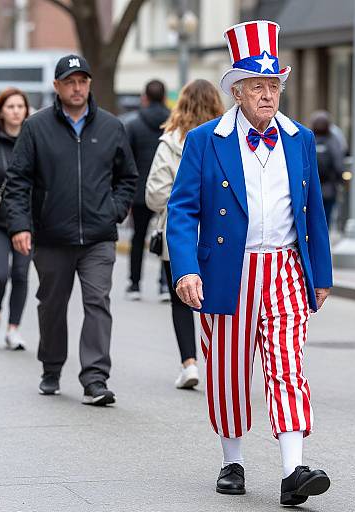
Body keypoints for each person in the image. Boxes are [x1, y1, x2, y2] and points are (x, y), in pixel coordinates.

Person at [167, 21, 333, 506]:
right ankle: (232, 460)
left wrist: (320, 273)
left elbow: (314, 212)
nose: (268, 94)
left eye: (274, 85)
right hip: (228, 269)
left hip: (284, 267)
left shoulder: (300, 138)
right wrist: (186, 268)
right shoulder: (205, 140)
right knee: (229, 369)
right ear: (237, 91)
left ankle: (293, 469)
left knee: (287, 365)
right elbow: (182, 210)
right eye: (257, 86)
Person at [5, 54, 137, 405]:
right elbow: (17, 181)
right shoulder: (36, 128)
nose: (77, 88)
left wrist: (114, 211)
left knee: (97, 302)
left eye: (82, 81)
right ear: (57, 86)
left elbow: (128, 178)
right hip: (51, 236)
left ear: (89, 84)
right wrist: (20, 225)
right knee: (51, 305)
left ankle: (95, 378)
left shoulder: (111, 127)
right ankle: (51, 367)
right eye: (69, 81)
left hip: (98, 236)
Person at [146, 79, 224, 389]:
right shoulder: (226, 138)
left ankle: (189, 363)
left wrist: (181, 201)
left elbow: (154, 194)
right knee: (219, 298)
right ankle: (220, 363)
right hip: (221, 233)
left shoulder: (170, 142)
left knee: (181, 302)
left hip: (180, 233)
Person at [0, 88, 31, 350]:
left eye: (20, 106)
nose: (16, 111)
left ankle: (13, 329)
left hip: (27, 221)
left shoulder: (33, 140)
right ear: (1, 110)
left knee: (21, 274)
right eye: (11, 106)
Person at [124, 80, 170, 301]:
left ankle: (134, 284)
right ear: (163, 98)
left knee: (137, 237)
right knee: (166, 237)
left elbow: (127, 159)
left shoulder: (134, 125)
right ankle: (164, 285)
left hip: (140, 191)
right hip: (167, 190)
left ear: (144, 98)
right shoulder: (172, 124)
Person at [310, 110, 344, 228]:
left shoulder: (308, 139)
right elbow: (338, 164)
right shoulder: (333, 141)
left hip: (311, 189)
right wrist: (340, 181)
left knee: (312, 219)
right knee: (326, 219)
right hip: (329, 189)